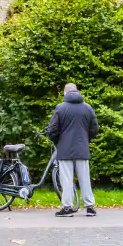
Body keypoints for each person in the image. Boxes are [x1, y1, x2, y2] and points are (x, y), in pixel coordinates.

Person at [47, 83, 100, 217]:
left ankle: (67, 208)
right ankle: (90, 207)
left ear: (65, 93)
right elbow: (94, 128)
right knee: (85, 178)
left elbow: (52, 130)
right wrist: (86, 139)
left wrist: (58, 140)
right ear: (77, 92)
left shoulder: (60, 108)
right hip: (82, 147)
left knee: (66, 180)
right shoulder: (87, 108)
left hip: (65, 149)